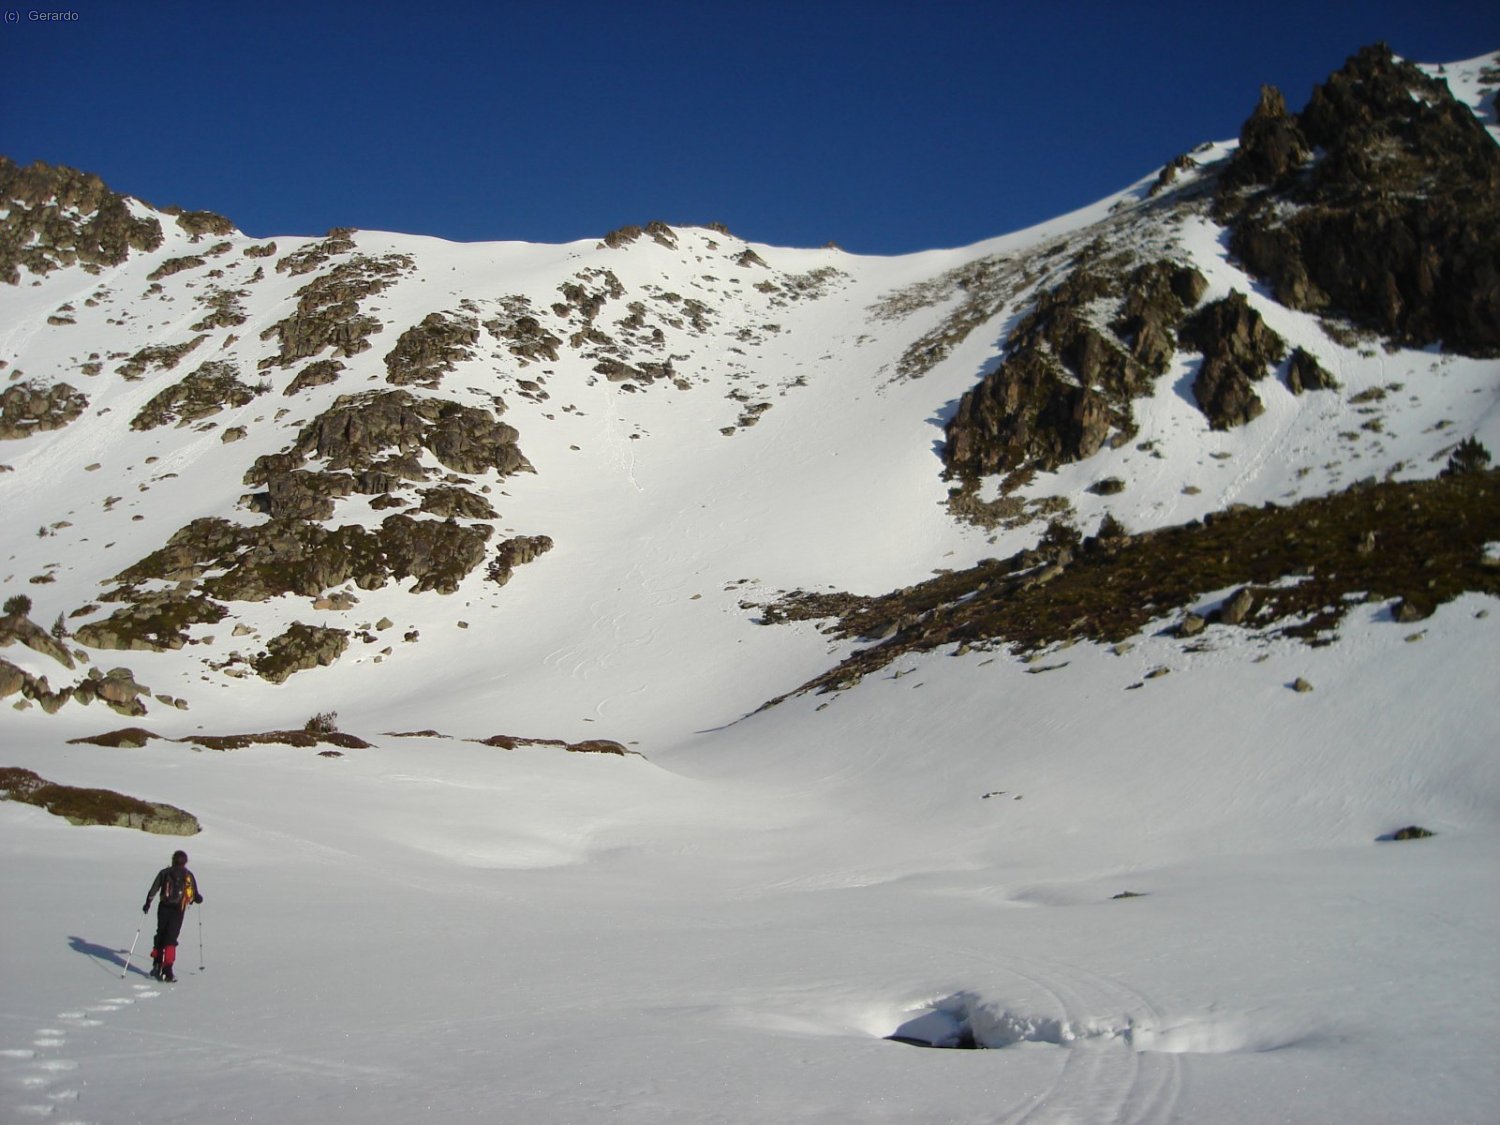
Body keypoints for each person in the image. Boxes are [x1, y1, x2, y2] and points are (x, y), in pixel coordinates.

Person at [142, 850, 203, 982]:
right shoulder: (188, 875)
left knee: (161, 934)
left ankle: (157, 964)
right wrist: (198, 899)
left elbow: (154, 889)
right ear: (185, 861)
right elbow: (196, 895)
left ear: (173, 860)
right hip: (178, 910)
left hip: (163, 907)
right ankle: (168, 970)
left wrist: (148, 903)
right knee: (171, 938)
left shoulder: (164, 873)